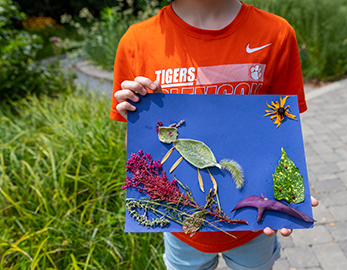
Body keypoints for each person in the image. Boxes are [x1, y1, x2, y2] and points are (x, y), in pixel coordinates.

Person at [110, 0, 319, 269]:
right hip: (181, 231)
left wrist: (290, 196)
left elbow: (281, 131)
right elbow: (139, 150)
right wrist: (139, 118)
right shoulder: (136, 41)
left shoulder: (276, 33)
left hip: (254, 228)